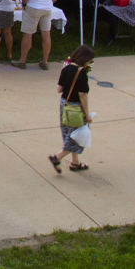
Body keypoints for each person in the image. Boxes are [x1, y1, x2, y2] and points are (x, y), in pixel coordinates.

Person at [48, 45, 95, 173]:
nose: (91, 63)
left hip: (64, 104)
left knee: (68, 132)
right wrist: (87, 115)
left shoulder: (66, 68)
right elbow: (83, 95)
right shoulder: (81, 73)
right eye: (91, 60)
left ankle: (75, 162)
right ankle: (57, 157)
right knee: (79, 136)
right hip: (76, 108)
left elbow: (59, 89)